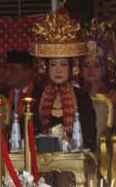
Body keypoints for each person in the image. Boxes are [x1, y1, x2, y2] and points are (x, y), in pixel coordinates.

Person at [30, 13, 96, 149]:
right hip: (43, 156)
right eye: (53, 65)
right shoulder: (36, 96)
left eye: (63, 65)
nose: (58, 70)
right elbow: (29, 129)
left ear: (72, 68)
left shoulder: (81, 97)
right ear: (46, 68)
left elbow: (90, 133)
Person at [2, 50, 36, 124]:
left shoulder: (40, 96)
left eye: (12, 69)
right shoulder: (3, 96)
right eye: (6, 69)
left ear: (28, 72)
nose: (7, 73)